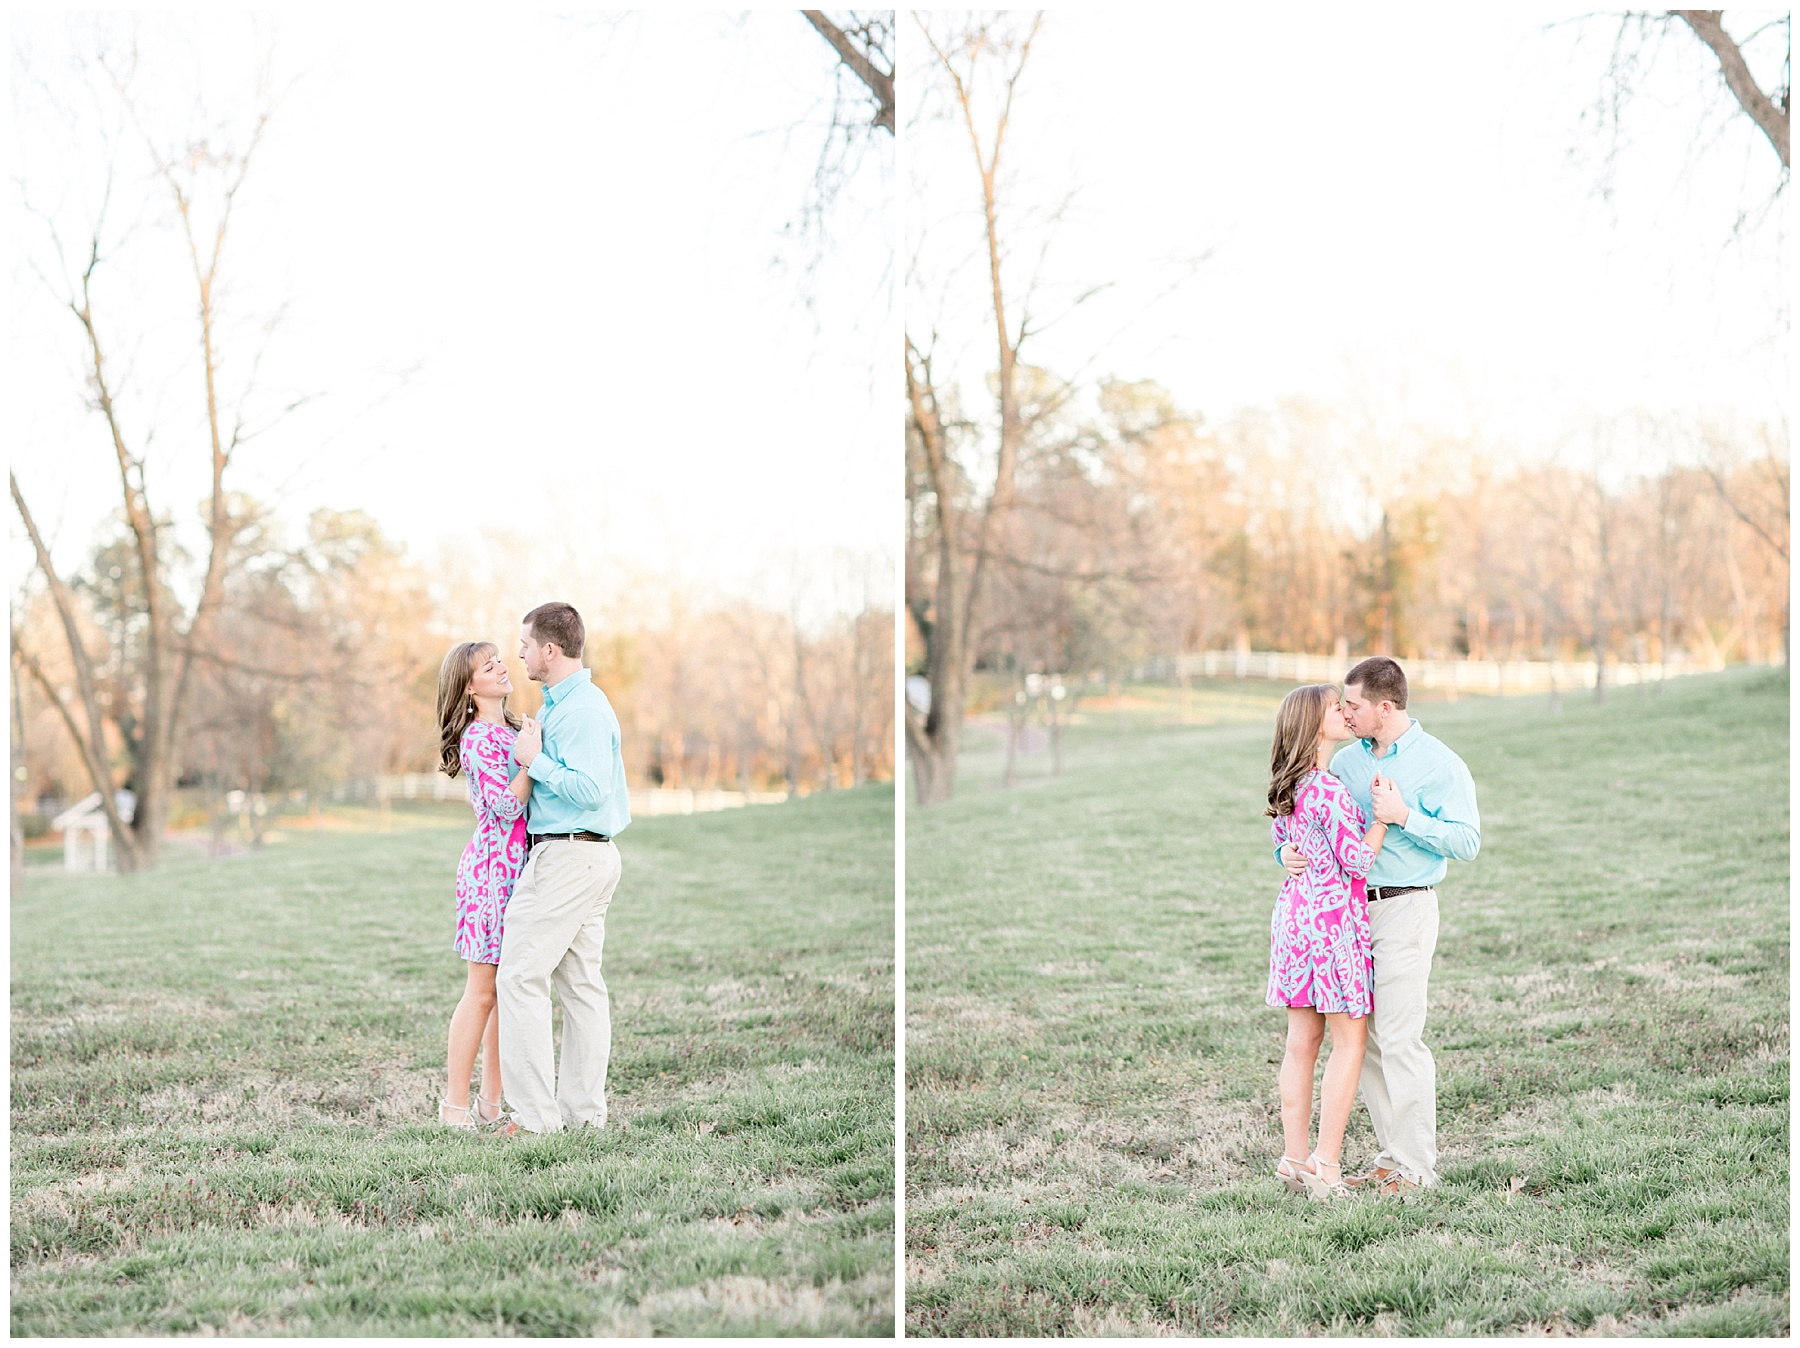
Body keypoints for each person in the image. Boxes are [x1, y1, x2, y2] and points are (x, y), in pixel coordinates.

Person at [1280, 655, 1481, 1193]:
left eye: (1353, 705)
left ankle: (1417, 1169)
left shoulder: (1440, 764)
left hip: (1403, 907)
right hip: (1345, 916)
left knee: (1399, 1038)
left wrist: (1403, 817)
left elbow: (1468, 841)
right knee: (1363, 1041)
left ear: (1385, 708)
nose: (1345, 713)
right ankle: (1393, 1157)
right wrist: (1286, 855)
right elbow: (1307, 821)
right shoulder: (1345, 762)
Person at [494, 601, 632, 1137]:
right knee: (579, 986)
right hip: (580, 855)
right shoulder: (561, 706)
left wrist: (535, 761)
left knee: (520, 976)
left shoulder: (583, 712)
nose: (520, 653)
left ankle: (535, 1120)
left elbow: (592, 790)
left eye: (525, 645)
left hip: (570, 856)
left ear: (550, 650)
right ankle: (582, 1117)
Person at [1265, 683, 1390, 1200]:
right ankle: (1327, 1164)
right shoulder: (1326, 789)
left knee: (1301, 1043)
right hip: (1332, 922)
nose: (1343, 712)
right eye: (1335, 708)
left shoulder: (1289, 786)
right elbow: (1357, 862)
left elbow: (1283, 843)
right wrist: (1383, 820)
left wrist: (1285, 856)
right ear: (1314, 724)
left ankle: (1294, 1159)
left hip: (1294, 918)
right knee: (1349, 1041)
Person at [434, 641, 531, 1129]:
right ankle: (454, 1105)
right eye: (487, 666)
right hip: (490, 873)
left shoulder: (514, 729)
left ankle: (490, 1104)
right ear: (470, 688)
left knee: (505, 993)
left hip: (520, 870)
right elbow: (506, 807)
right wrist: (531, 764)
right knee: (482, 991)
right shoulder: (478, 739)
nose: (500, 668)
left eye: (499, 660)